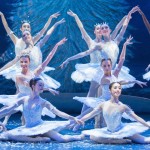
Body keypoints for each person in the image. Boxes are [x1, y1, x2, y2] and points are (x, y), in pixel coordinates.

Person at [73, 36, 147, 129]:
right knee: (86, 115)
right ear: (102, 67)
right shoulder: (104, 78)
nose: (107, 67)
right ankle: (74, 124)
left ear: (111, 65)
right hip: (103, 101)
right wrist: (133, 81)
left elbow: (121, 60)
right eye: (105, 66)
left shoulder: (114, 74)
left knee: (95, 116)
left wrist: (124, 45)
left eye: (108, 65)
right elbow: (118, 83)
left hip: (111, 102)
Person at [60, 7, 138, 84]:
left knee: (108, 89)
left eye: (101, 29)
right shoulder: (93, 43)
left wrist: (127, 16)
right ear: (94, 31)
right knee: (98, 89)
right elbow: (82, 29)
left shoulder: (108, 42)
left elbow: (118, 29)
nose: (100, 30)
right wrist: (76, 16)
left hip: (110, 68)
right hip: (96, 69)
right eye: (98, 29)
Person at [0, 38, 67, 125]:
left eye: (25, 62)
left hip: (31, 99)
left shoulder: (34, 73)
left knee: (26, 122)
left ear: (29, 62)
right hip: (21, 98)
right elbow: (31, 86)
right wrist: (49, 89)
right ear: (20, 63)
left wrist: (56, 45)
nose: (23, 64)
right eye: (22, 62)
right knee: (4, 111)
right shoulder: (18, 76)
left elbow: (48, 59)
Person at [0, 77, 84, 143]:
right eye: (40, 85)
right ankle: (37, 139)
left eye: (43, 85)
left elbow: (58, 112)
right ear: (33, 86)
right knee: (10, 136)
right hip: (28, 128)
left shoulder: (43, 102)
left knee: (61, 139)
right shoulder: (23, 99)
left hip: (41, 127)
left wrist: (74, 118)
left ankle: (78, 137)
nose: (42, 87)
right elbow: (8, 109)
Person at [0, 18, 65, 89]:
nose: (26, 35)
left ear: (32, 36)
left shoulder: (38, 45)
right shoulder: (24, 51)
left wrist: (55, 24)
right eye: (24, 36)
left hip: (36, 72)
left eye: (27, 34)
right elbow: (13, 62)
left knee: (36, 90)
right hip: (27, 73)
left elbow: (47, 34)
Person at [77, 82, 150, 144]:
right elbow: (91, 114)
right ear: (110, 90)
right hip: (109, 131)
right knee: (92, 136)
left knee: (144, 140)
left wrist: (147, 125)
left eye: (119, 88)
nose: (118, 90)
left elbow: (137, 118)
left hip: (122, 130)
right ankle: (115, 141)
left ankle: (118, 139)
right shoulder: (103, 104)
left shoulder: (123, 106)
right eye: (115, 88)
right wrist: (81, 120)